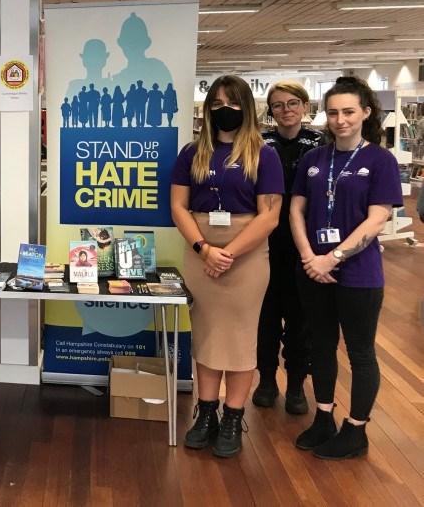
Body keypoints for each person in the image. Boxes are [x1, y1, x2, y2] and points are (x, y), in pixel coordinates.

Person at [170, 74, 283, 458]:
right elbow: (178, 207)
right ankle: (206, 413)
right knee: (204, 332)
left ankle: (234, 415)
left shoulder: (263, 154)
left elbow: (269, 217)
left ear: (246, 107)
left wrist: (228, 253)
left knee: (239, 335)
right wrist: (204, 249)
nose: (224, 110)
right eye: (216, 103)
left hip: (247, 255)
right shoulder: (192, 152)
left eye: (232, 103)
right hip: (199, 250)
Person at [289, 77, 402, 460]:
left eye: (349, 112)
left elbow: (377, 219)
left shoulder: (380, 160)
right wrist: (309, 258)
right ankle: (323, 417)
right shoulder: (314, 160)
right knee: (320, 345)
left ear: (366, 113)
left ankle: (356, 428)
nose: (340, 120)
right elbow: (296, 210)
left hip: (359, 275)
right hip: (314, 271)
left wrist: (331, 258)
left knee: (360, 353)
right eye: (333, 112)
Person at [254, 82, 325, 414]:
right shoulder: (258, 145)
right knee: (265, 318)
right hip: (265, 244)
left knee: (301, 320)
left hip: (305, 245)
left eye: (292, 103)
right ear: (271, 111)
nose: (286, 110)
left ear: (305, 106)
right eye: (278, 105)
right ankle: (266, 380)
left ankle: (296, 383)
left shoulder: (320, 145)